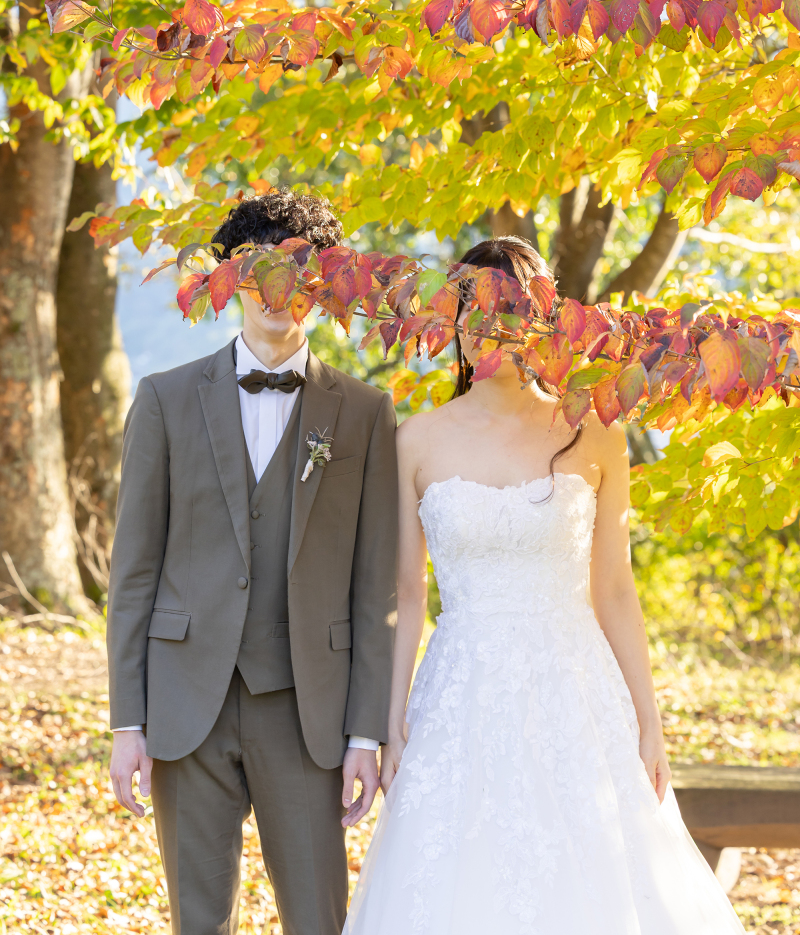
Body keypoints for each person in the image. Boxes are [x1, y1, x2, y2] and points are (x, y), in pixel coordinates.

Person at [344, 235, 746, 935]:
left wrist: (649, 724)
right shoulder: (414, 441)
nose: (492, 327)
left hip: (576, 693)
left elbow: (615, 590)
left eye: (512, 311)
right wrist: (391, 724)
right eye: (474, 308)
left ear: (542, 322)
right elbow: (406, 598)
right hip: (457, 698)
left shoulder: (593, 434)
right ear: (453, 319)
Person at [107, 188, 398, 935]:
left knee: (316, 919)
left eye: (301, 275)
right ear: (229, 280)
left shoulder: (364, 412)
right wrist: (126, 723)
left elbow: (376, 590)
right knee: (197, 922)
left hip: (307, 709)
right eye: (260, 273)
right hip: (184, 707)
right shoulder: (166, 400)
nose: (280, 294)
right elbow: (133, 574)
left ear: (324, 285)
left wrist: (365, 733)